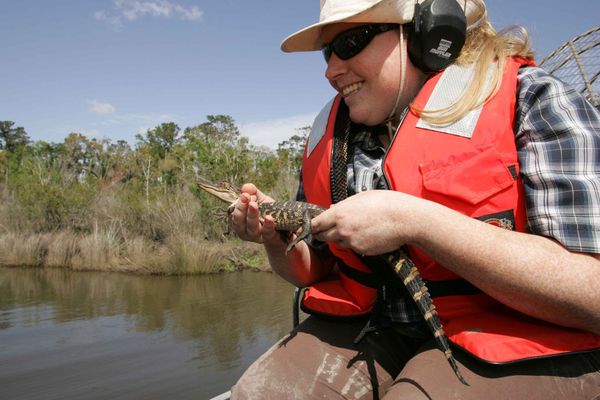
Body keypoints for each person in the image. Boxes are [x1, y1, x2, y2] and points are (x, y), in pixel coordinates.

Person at [228, 0, 600, 398]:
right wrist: (272, 237)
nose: (331, 69)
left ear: (430, 33)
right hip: (372, 322)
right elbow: (313, 271)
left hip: (516, 330)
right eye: (327, 51)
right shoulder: (331, 135)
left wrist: (418, 221)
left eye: (351, 41)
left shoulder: (535, 99)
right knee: (260, 392)